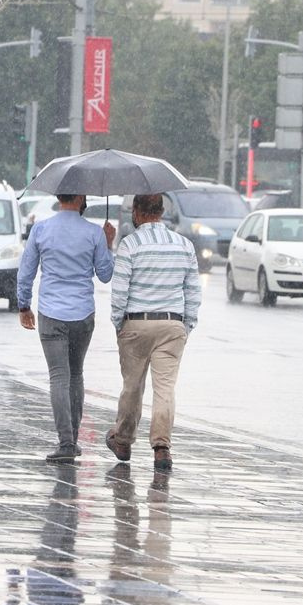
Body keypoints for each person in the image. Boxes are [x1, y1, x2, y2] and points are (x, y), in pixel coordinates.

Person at [105, 193, 202, 472]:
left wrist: (118, 322)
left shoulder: (129, 244)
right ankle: (161, 447)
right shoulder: (184, 245)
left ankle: (123, 440)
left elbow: (120, 289)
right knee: (165, 388)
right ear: (161, 212)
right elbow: (192, 291)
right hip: (172, 324)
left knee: (133, 386)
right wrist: (187, 324)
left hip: (136, 322)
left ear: (137, 211)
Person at [16, 193, 115, 463]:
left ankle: (66, 442)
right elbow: (105, 274)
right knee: (76, 374)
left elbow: (26, 271)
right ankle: (74, 435)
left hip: (51, 313)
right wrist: (108, 244)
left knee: (59, 376)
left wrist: (24, 305)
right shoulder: (94, 233)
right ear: (81, 198)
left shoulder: (41, 229)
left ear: (59, 197)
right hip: (82, 314)